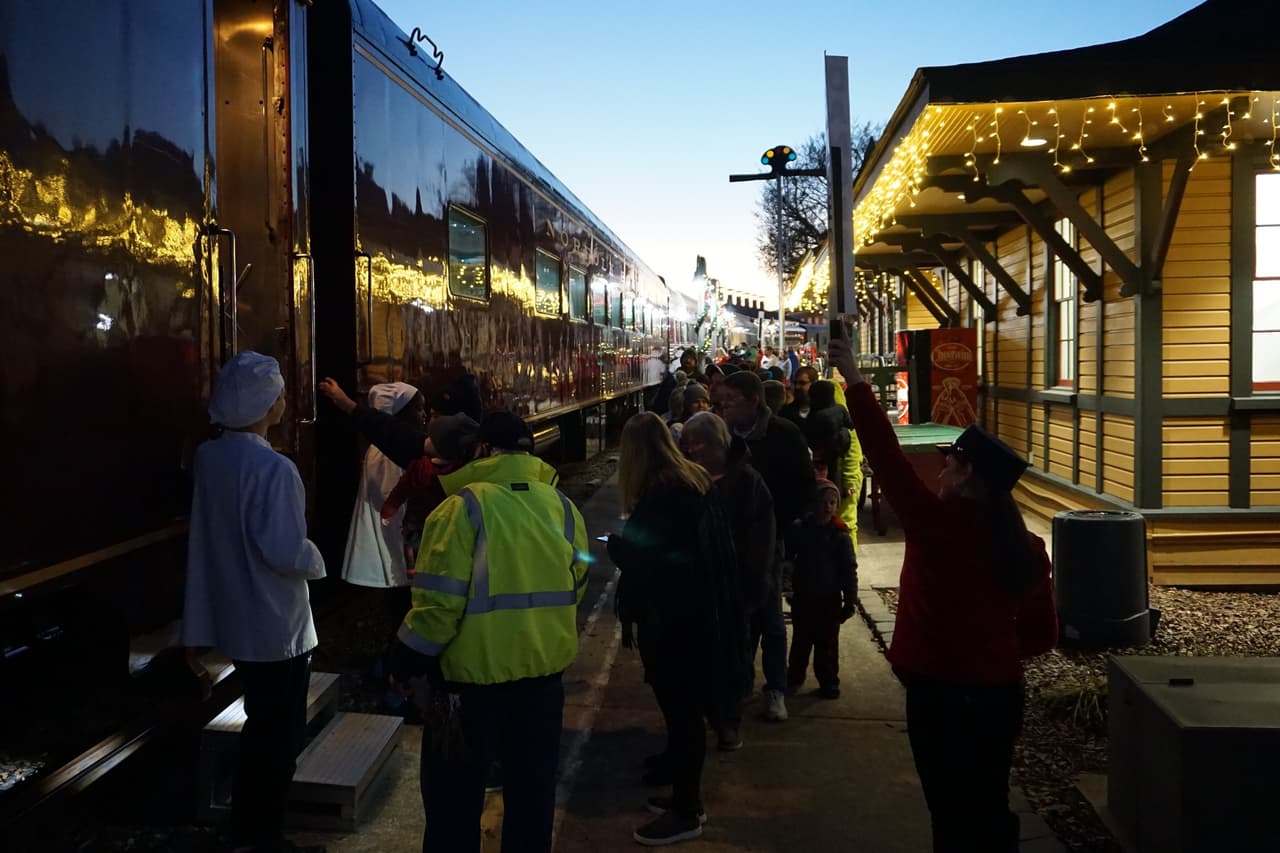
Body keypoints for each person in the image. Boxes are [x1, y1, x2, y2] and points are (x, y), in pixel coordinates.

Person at [828, 335, 1058, 853]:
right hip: (1000, 695)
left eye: (950, 464)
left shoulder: (934, 525)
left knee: (948, 812)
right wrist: (991, 654)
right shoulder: (1028, 546)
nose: (941, 471)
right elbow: (1044, 635)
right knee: (990, 803)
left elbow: (885, 456)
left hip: (937, 696)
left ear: (968, 473)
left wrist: (855, 379)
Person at [388, 411, 589, 853]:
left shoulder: (461, 508)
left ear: (481, 451)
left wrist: (404, 660)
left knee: (454, 802)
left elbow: (438, 607)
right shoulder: (564, 508)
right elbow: (578, 583)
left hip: (469, 690)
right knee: (532, 798)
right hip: (542, 685)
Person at [182, 351, 326, 853]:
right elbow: (285, 551)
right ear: (267, 404)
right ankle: (262, 837)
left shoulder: (209, 457)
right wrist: (318, 560)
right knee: (279, 739)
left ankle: (249, 831)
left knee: (259, 730)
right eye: (282, 394)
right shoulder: (275, 468)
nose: (287, 401)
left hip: (236, 617)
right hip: (277, 626)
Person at [609, 412, 743, 845]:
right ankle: (683, 793)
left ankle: (687, 810)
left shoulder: (662, 493)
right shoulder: (692, 479)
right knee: (684, 711)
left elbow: (651, 558)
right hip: (699, 615)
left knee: (683, 713)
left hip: (676, 622)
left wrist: (619, 547)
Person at [718, 371, 816, 722]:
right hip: (728, 539)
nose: (725, 407)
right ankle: (742, 681)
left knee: (770, 615)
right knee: (737, 618)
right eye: (723, 401)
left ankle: (775, 688)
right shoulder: (722, 435)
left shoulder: (783, 434)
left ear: (754, 401)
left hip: (769, 538)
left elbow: (805, 485)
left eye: (732, 401)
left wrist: (784, 522)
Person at [679, 411, 774, 751]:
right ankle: (708, 717)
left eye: (697, 444)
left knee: (733, 659)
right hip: (698, 591)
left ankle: (728, 723)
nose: (690, 451)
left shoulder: (748, 483)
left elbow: (762, 541)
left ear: (719, 444)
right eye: (686, 445)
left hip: (734, 590)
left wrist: (753, 589)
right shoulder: (689, 481)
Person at [783, 479, 857, 699]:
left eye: (833, 502)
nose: (828, 506)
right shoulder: (800, 530)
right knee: (800, 643)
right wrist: (788, 587)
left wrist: (850, 599)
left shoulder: (840, 535)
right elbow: (789, 560)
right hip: (804, 597)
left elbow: (848, 569)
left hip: (829, 599)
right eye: (823, 502)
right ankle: (794, 678)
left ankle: (828, 681)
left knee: (828, 646)